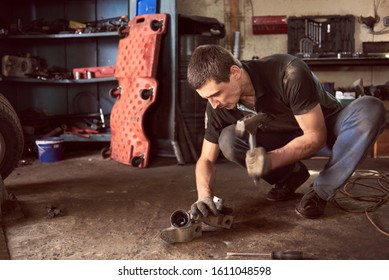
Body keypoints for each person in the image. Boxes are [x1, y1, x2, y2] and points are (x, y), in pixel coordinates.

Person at [187, 44, 386, 219]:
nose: (213, 104)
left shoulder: (288, 72)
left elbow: (316, 136)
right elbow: (206, 159)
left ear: (235, 73)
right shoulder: (217, 107)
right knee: (228, 139)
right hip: (284, 138)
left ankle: (320, 191)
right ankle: (290, 176)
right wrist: (204, 196)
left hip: (327, 129)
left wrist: (271, 159)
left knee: (370, 108)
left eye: (216, 94)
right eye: (207, 99)